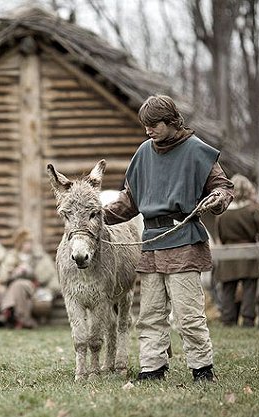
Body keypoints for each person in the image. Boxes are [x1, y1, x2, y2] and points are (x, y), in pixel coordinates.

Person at [103, 95, 234, 382]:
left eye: (154, 125)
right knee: (150, 313)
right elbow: (129, 200)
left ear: (172, 121)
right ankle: (152, 367)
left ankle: (202, 368)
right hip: (150, 242)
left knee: (187, 314)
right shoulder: (143, 153)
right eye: (145, 125)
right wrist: (97, 217)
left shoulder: (197, 151)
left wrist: (217, 199)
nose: (148, 130)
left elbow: (223, 187)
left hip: (183, 240)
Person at [214, 175, 259, 326]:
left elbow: (220, 235)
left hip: (228, 254)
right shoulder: (253, 210)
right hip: (249, 253)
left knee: (228, 288)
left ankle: (228, 320)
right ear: (248, 190)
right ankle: (247, 319)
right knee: (249, 288)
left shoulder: (222, 213)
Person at [0, 228, 59, 329]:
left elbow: (49, 275)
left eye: (30, 242)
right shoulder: (11, 256)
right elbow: (2, 276)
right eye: (26, 242)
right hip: (15, 288)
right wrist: (15, 272)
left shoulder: (40, 256)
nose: (28, 245)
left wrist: (31, 271)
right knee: (18, 285)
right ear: (20, 244)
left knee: (20, 284)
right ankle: (25, 320)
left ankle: (5, 309)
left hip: (34, 287)